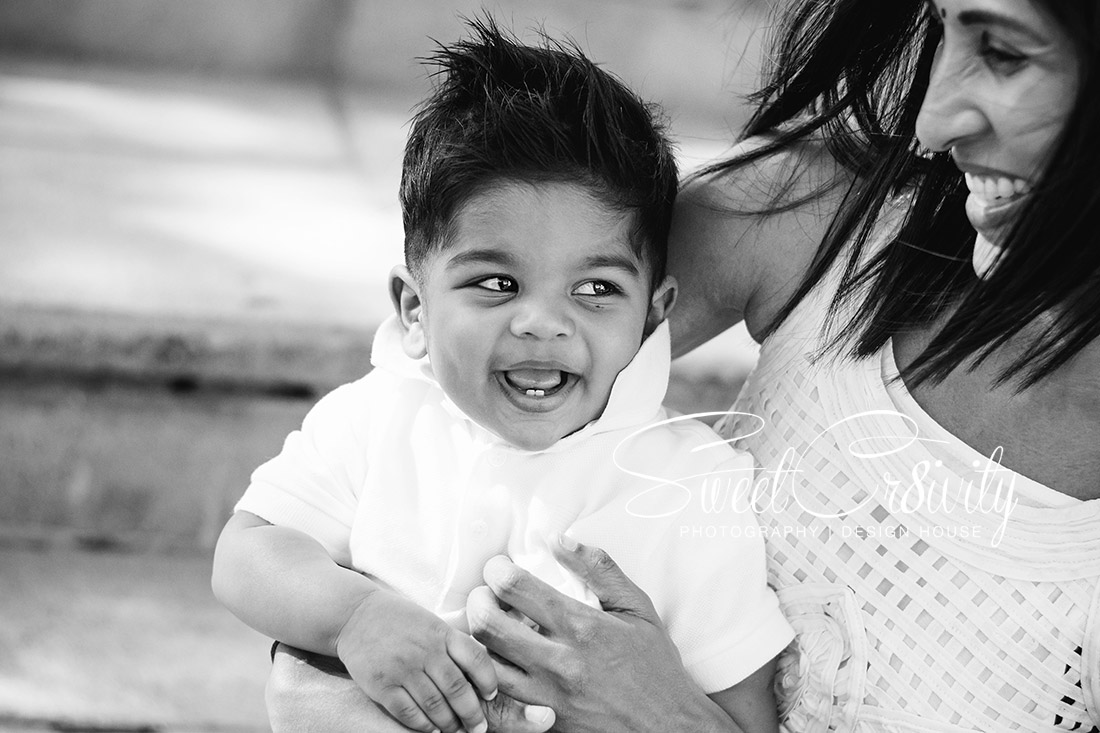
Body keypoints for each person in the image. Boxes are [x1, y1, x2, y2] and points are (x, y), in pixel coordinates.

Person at [262, 0, 1100, 730]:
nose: (931, 120)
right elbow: (420, 442)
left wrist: (666, 717)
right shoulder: (812, 225)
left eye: (1005, 50)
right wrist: (356, 630)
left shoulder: (696, 488)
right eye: (944, 28)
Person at [211, 17, 795, 733]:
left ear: (652, 316)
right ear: (415, 309)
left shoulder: (690, 484)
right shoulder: (378, 417)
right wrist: (355, 617)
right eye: (496, 283)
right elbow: (246, 552)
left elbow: (743, 717)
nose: (543, 323)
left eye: (596, 289)